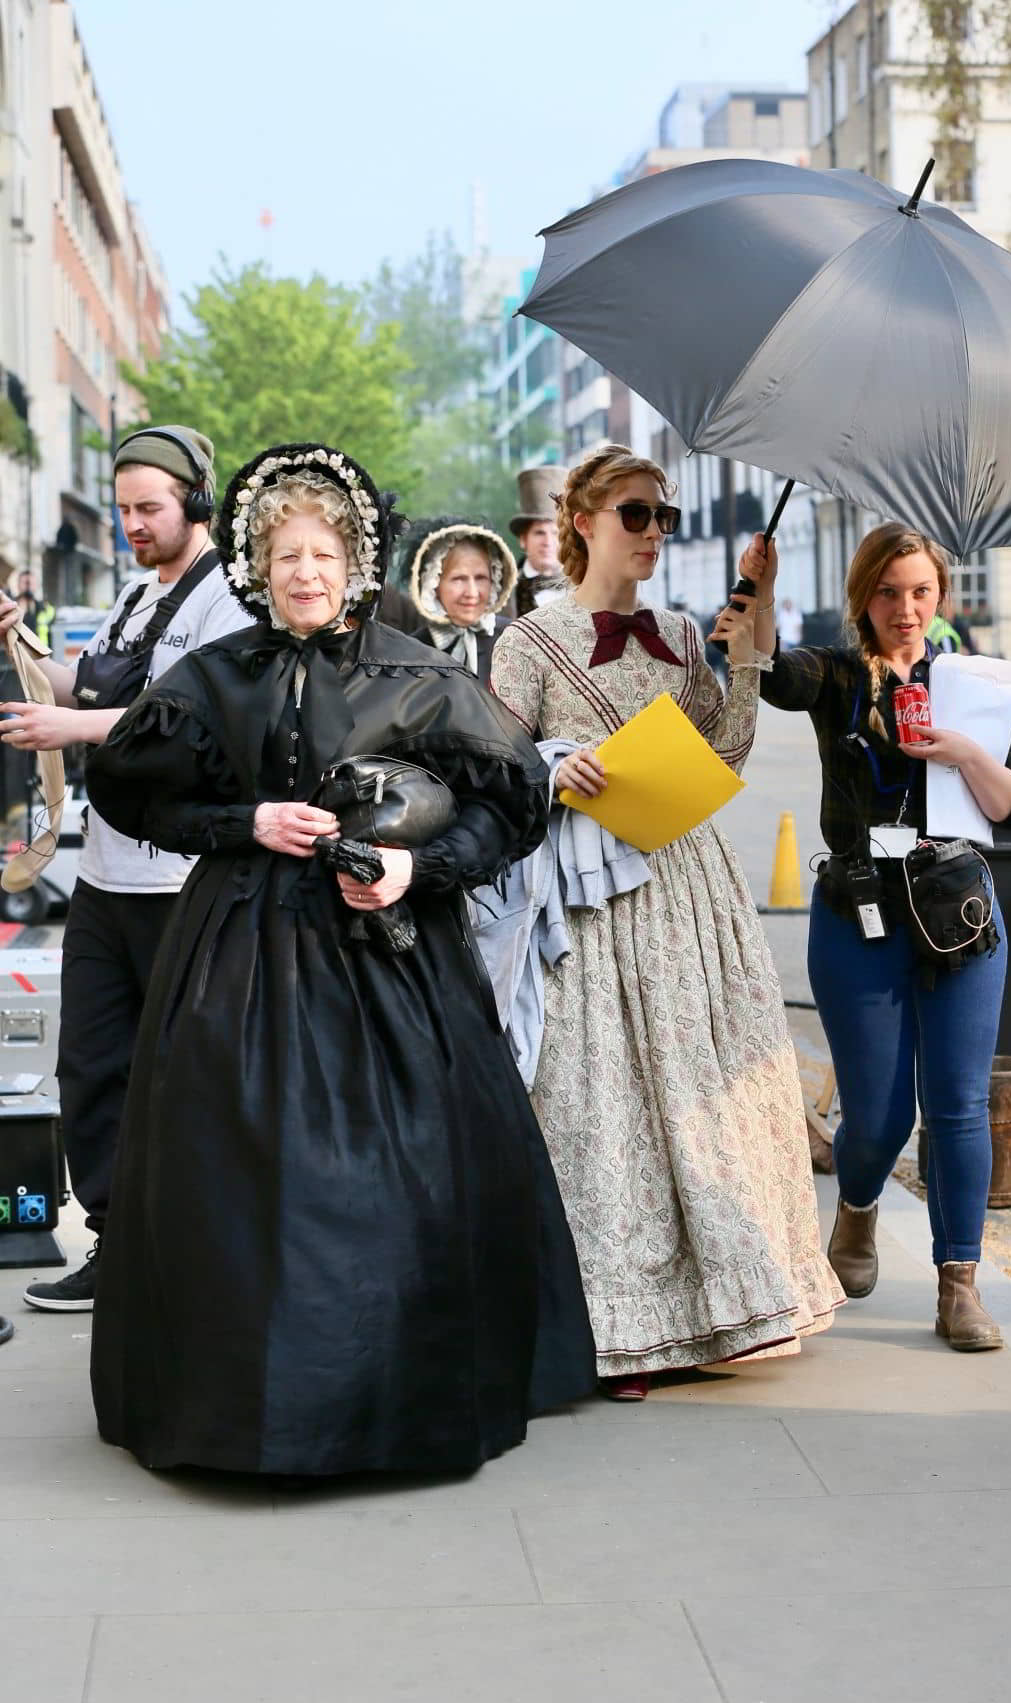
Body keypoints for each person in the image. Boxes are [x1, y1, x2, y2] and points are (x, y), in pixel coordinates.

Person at [84, 442, 595, 1476]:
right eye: (284, 558)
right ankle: (234, 1400)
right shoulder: (212, 677)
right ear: (257, 570)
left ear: (355, 561)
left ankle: (391, 1388)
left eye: (321, 553)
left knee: (395, 1164)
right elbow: (129, 790)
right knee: (237, 1166)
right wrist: (243, 822)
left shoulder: (417, 676)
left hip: (387, 957)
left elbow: (512, 802)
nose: (304, 574)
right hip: (235, 951)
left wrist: (417, 870)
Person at [490, 444, 842, 1400]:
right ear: (584, 521)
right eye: (636, 514)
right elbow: (490, 764)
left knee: (709, 1097)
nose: (653, 532)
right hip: (589, 898)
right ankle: (617, 1328)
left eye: (664, 517)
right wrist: (553, 769)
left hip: (687, 885)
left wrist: (747, 642)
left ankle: (723, 1309)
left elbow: (723, 754)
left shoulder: (687, 634)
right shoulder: (529, 640)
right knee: (601, 1106)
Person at [759, 522, 1011, 1352]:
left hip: (958, 908)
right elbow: (776, 678)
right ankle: (857, 1209)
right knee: (878, 1116)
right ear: (862, 599)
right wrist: (762, 592)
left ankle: (960, 1286)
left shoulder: (974, 685)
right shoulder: (839, 675)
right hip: (860, 906)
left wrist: (959, 751)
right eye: (887, 592)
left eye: (919, 591)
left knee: (956, 1106)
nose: (905, 608)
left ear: (940, 594)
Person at [0, 424, 245, 1313]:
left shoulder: (232, 602)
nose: (134, 524)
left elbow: (193, 720)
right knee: (93, 1065)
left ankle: (196, 1251)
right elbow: (90, 688)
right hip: (107, 874)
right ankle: (116, 1244)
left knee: (186, 1073)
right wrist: (26, 646)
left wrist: (73, 730)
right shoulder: (136, 597)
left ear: (198, 503)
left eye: (150, 508)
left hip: (185, 878)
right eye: (124, 509)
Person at [405, 517, 517, 686]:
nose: (472, 592)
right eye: (458, 579)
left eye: (481, 578)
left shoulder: (516, 640)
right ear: (432, 583)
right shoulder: (411, 652)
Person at [510, 466, 568, 617]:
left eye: (556, 533)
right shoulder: (505, 592)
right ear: (523, 539)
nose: (548, 541)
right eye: (539, 533)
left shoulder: (588, 586)